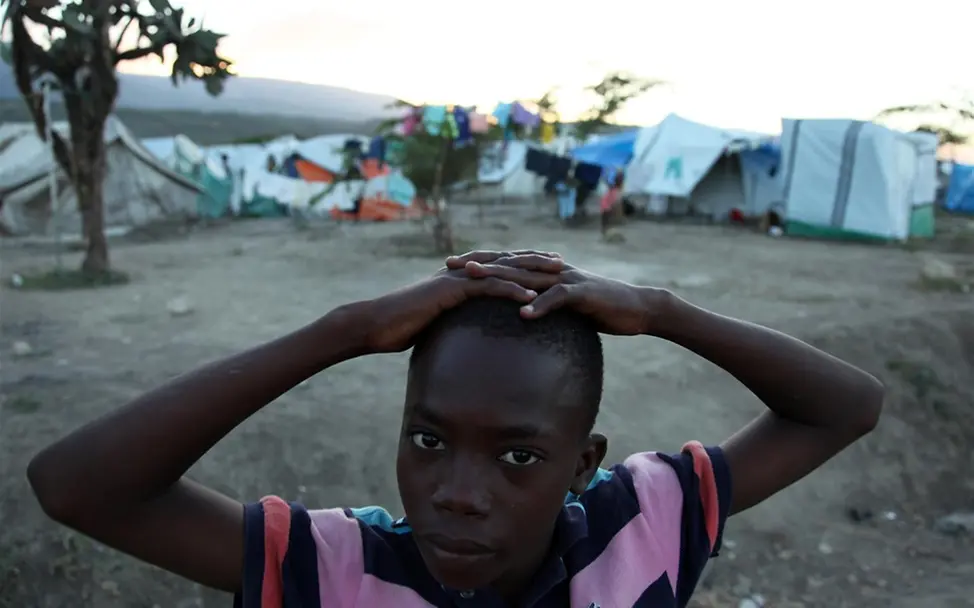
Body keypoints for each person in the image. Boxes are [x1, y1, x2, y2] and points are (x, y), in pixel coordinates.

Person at [26, 251, 884, 608]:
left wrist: (662, 311)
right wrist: (346, 329)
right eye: (428, 441)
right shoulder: (340, 571)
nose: (458, 497)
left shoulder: (644, 525)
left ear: (585, 464)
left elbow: (847, 405)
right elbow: (76, 487)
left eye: (519, 456)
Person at [600, 171, 625, 237]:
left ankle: (605, 231)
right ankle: (606, 232)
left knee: (605, 220)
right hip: (608, 206)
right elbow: (617, 201)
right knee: (608, 220)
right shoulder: (617, 190)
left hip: (605, 205)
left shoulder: (613, 187)